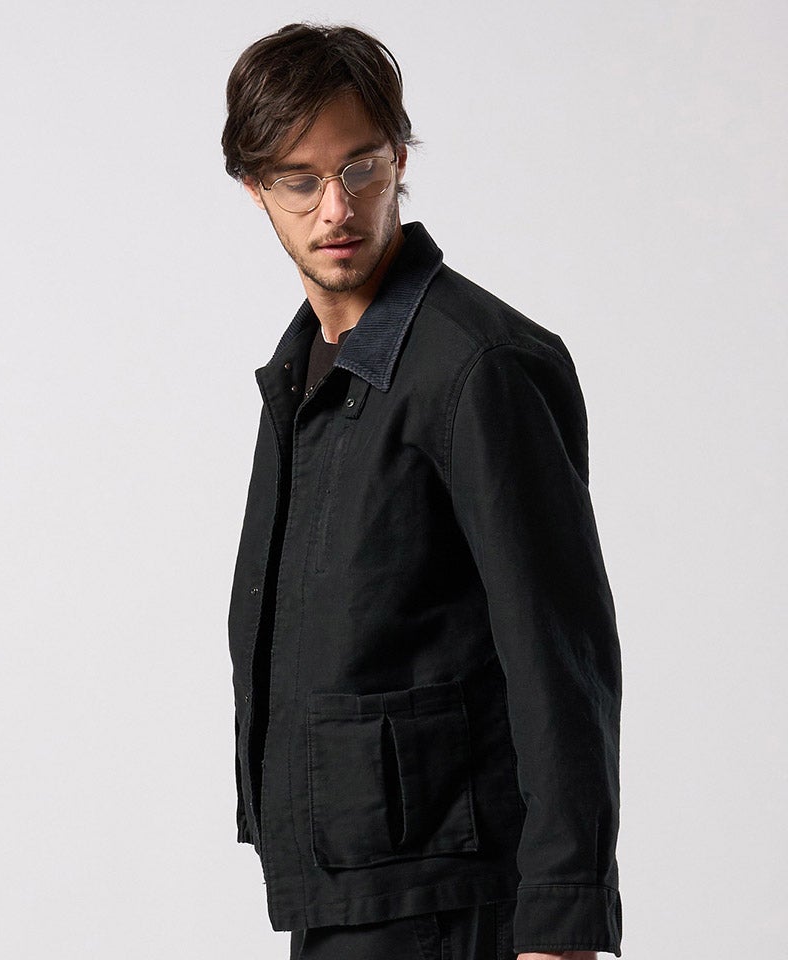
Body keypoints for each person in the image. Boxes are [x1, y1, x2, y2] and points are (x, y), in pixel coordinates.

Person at [222, 23, 622, 960]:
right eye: (300, 181)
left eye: (360, 168)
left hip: (454, 900)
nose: (336, 209)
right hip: (347, 884)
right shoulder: (304, 376)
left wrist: (561, 919)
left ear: (399, 159)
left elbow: (560, 658)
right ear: (255, 190)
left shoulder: (478, 367)